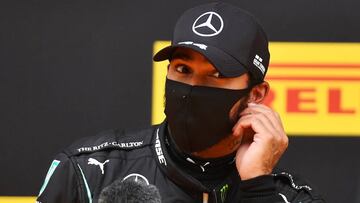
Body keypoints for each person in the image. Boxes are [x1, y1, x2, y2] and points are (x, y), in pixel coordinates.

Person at [36, 2, 325, 203]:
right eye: (183, 70)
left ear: (256, 94)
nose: (192, 89)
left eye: (216, 75)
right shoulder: (89, 172)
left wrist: (257, 189)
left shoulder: (289, 198)